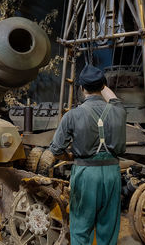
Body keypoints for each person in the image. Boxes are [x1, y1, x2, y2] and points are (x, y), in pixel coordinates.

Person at [49, 65, 126, 245]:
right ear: (103, 87)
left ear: (81, 88)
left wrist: (70, 158)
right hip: (112, 174)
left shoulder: (72, 115)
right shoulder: (119, 111)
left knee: (81, 228)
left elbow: (55, 150)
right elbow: (113, 99)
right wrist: (102, 84)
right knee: (108, 228)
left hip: (85, 174)